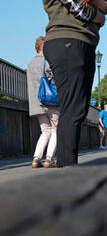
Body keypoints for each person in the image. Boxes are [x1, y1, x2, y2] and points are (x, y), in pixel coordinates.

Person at [30, 0, 107, 167]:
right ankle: (67, 167)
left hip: (80, 42)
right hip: (68, 42)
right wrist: (99, 15)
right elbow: (78, 5)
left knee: (77, 108)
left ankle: (67, 165)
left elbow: (101, 0)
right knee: (73, 109)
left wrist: (100, 8)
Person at [26, 36, 59, 168]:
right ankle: (50, 158)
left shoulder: (30, 64)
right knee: (56, 129)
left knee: (45, 131)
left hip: (36, 103)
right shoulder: (47, 62)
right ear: (43, 47)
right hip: (49, 101)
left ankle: (36, 158)